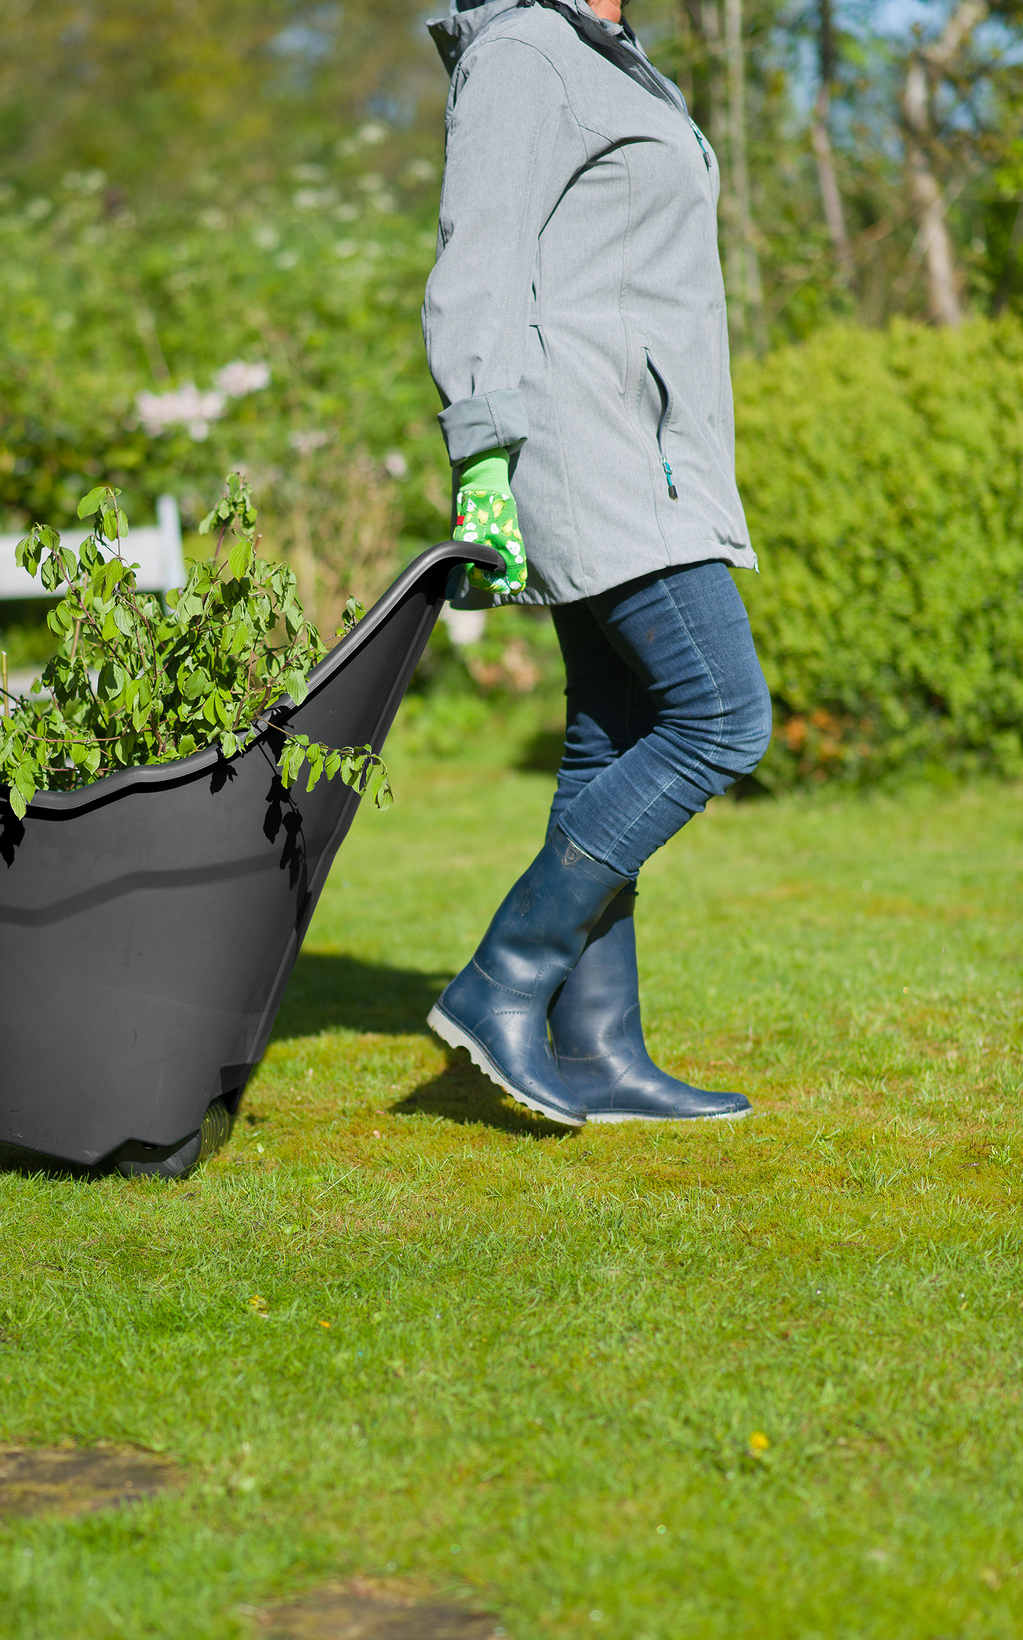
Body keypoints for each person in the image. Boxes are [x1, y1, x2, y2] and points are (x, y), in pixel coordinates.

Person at [422, 0, 773, 1128]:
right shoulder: (526, 50)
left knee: (613, 732)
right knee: (721, 717)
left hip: (640, 441)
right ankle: (503, 979)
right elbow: (477, 247)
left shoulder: (604, 58)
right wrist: (481, 445)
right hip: (588, 443)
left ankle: (600, 1050)